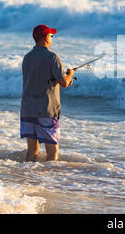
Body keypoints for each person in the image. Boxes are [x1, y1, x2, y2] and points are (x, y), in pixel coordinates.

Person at [20, 24, 74, 162]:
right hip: (46, 110)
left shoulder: (27, 57)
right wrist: (70, 75)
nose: (52, 38)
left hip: (27, 109)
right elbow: (63, 83)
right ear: (45, 38)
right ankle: (49, 182)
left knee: (32, 151)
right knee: (52, 152)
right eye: (51, 36)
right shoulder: (52, 57)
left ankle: (28, 178)